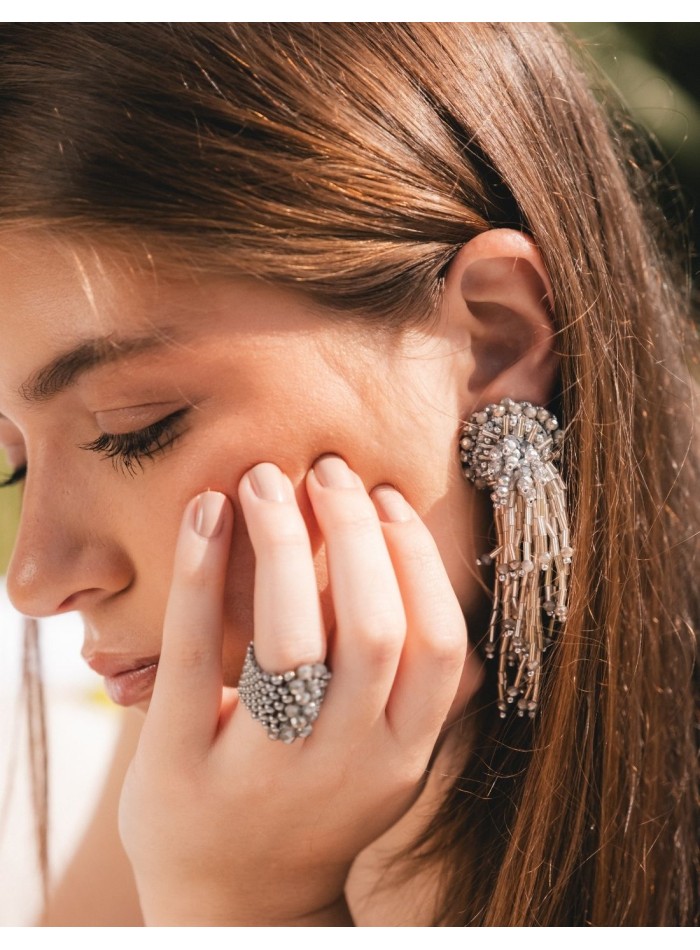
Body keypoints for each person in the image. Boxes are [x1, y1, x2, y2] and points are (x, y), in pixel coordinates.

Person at [0, 23, 697, 927]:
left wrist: (249, 912)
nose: (37, 579)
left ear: (498, 336)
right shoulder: (221, 742)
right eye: (11, 463)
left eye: (136, 429)